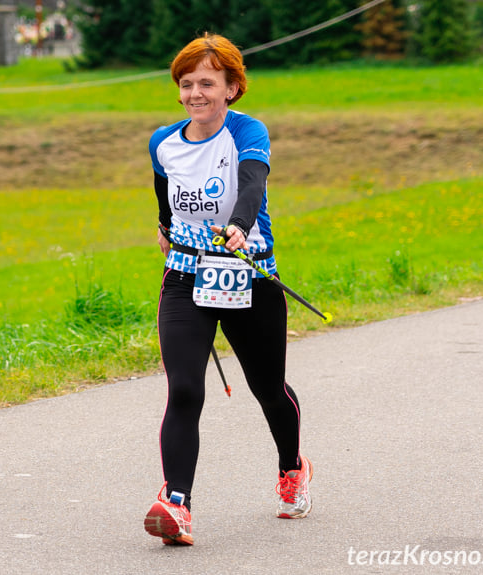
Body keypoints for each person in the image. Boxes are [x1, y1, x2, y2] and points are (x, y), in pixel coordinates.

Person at [143, 33, 313, 546]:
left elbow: (252, 181)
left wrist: (239, 225)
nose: (196, 92)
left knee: (268, 389)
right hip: (187, 275)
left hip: (248, 272)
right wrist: (166, 228)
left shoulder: (247, 130)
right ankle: (177, 503)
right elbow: (164, 194)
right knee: (186, 389)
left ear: (232, 88)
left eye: (208, 83)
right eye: (187, 83)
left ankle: (292, 467)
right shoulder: (162, 142)